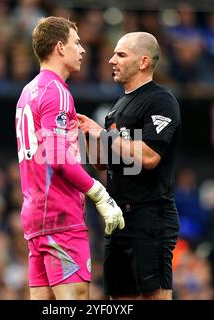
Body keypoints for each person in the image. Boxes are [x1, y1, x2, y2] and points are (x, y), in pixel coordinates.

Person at [15, 16, 124, 300]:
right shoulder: (57, 93)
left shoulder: (27, 93)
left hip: (35, 218)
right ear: (60, 48)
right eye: (77, 43)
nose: (83, 50)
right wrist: (100, 194)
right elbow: (60, 159)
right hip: (61, 218)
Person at [77, 32, 181, 300]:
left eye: (121, 54)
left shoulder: (161, 100)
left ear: (144, 61)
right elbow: (102, 164)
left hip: (151, 217)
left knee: (154, 297)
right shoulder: (118, 105)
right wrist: (88, 134)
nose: (112, 60)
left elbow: (149, 157)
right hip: (119, 219)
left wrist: (102, 134)